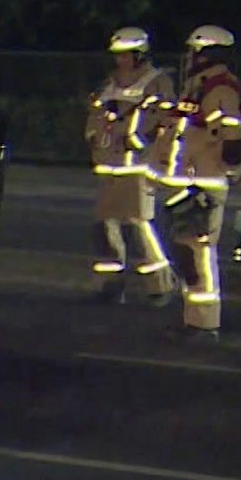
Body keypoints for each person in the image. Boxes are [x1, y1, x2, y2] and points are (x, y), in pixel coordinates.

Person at [149, 25, 241, 336]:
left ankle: (204, 323)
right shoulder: (198, 86)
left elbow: (232, 137)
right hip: (189, 178)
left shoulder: (220, 88)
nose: (189, 56)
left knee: (198, 252)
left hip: (204, 181)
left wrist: (229, 171)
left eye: (194, 51)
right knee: (185, 249)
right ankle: (194, 317)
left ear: (205, 53)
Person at [83, 26, 176, 303]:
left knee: (137, 225)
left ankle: (160, 285)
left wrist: (144, 145)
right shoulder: (109, 84)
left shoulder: (156, 82)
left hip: (137, 166)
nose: (120, 60)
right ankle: (110, 285)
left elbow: (166, 118)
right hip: (109, 165)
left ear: (139, 54)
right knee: (105, 225)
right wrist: (93, 138)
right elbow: (96, 115)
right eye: (117, 55)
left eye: (126, 55)